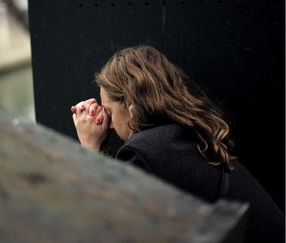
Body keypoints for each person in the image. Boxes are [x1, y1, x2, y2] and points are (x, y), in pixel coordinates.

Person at [71, 45, 284, 243]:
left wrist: (89, 145)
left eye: (108, 111)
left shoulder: (146, 151)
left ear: (130, 104)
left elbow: (105, 226)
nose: (108, 125)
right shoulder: (181, 136)